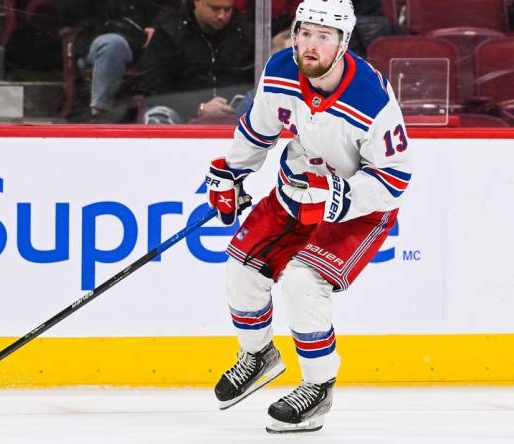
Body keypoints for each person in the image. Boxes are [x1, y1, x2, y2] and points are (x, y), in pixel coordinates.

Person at [205, 0, 411, 433]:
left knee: (302, 280)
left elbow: (393, 179)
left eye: (324, 36)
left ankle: (317, 388)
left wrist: (342, 198)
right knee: (241, 266)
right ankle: (258, 355)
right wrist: (232, 173)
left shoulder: (369, 97)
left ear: (343, 43)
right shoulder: (281, 68)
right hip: (295, 192)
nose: (310, 45)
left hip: (360, 209)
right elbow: (257, 130)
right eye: (305, 32)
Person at [57, 0, 175, 122]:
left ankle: (159, 113)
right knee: (113, 45)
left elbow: (168, 7)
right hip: (96, 36)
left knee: (163, 43)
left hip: (141, 36)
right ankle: (99, 112)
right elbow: (69, 12)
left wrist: (156, 27)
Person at [139, 0, 254, 124]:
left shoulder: (245, 31)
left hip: (235, 113)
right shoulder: (169, 33)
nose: (222, 16)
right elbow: (154, 90)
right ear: (197, 2)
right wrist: (199, 107)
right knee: (158, 115)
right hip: (183, 113)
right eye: (215, 9)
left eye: (227, 10)